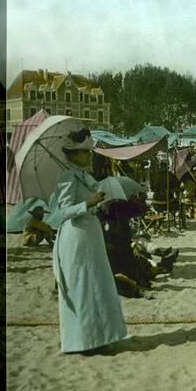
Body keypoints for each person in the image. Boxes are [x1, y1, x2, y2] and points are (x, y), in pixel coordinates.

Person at [53, 128, 127, 354]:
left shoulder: (85, 176)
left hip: (90, 235)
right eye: (85, 152)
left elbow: (91, 200)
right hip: (76, 237)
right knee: (82, 286)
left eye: (88, 151)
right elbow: (63, 212)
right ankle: (82, 341)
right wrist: (88, 203)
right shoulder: (66, 177)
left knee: (97, 284)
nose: (89, 155)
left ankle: (99, 337)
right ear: (72, 154)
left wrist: (99, 203)